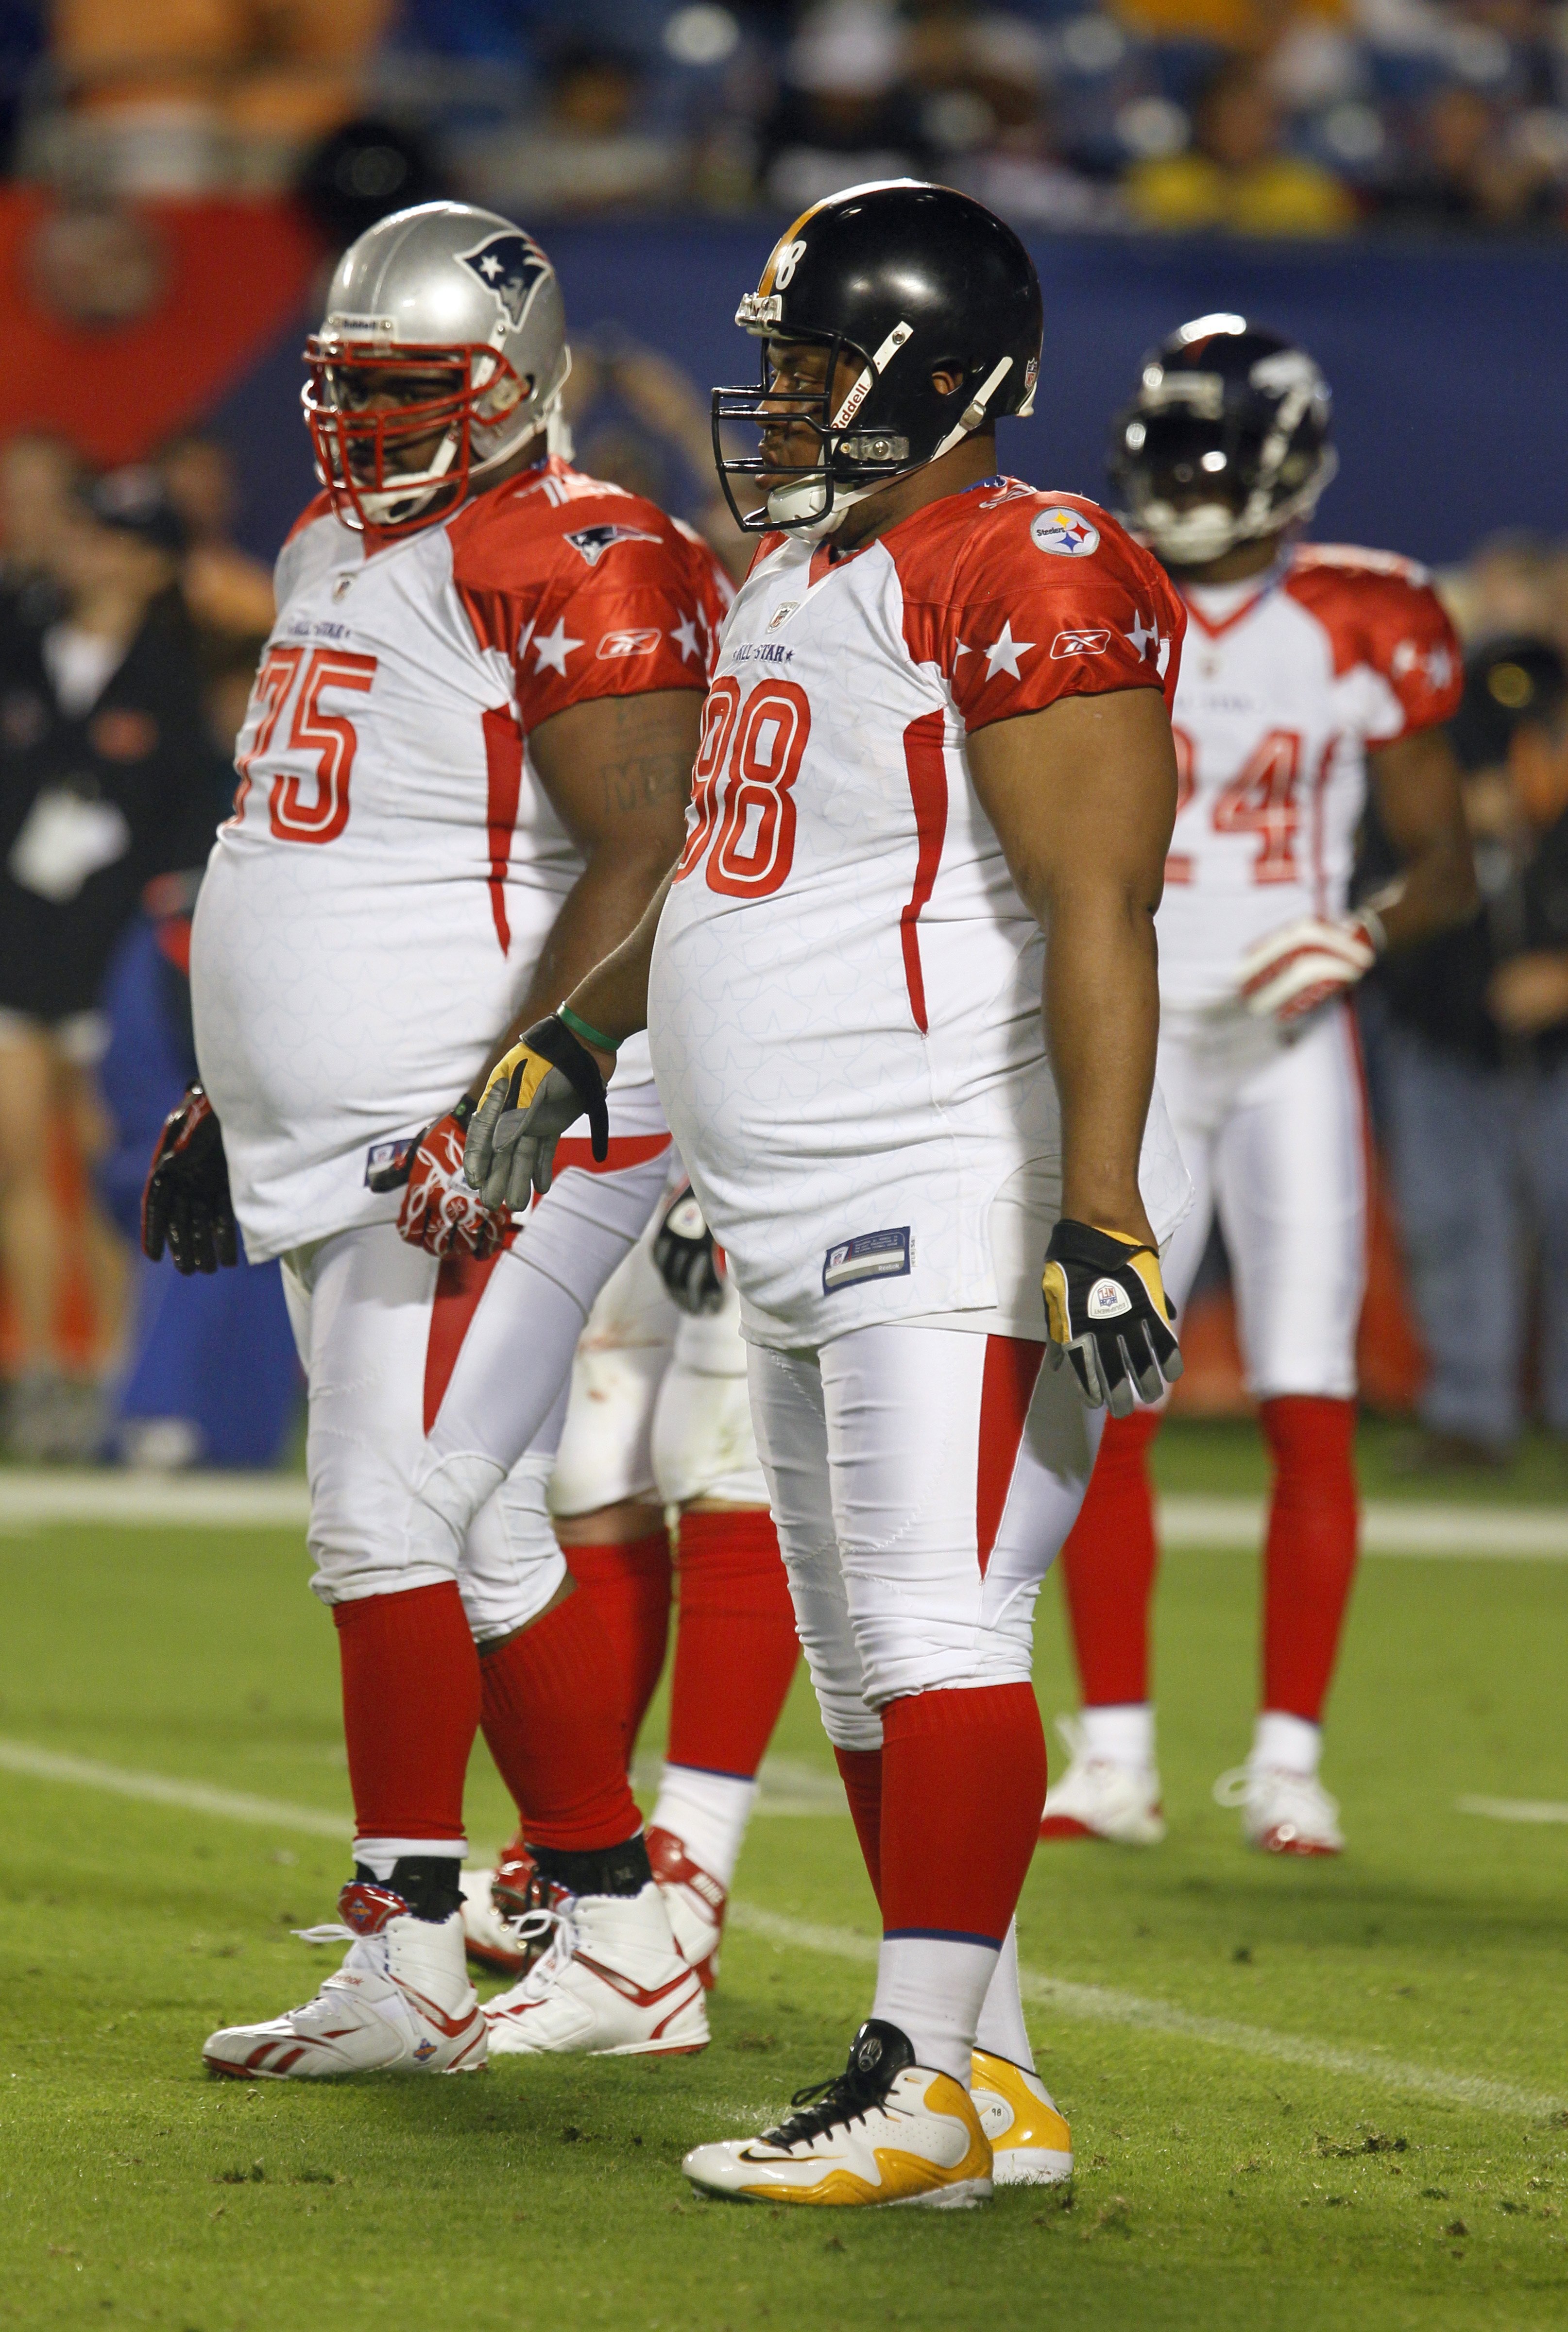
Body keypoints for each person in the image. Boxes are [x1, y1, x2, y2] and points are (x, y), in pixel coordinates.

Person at [462, 179, 1190, 2208]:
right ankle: (991, 2087)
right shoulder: (805, 575)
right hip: (795, 1196)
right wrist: (585, 1042)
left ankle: (919, 2073)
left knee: (946, 1631)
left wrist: (1105, 1202)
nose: (769, 403)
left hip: (950, 1177)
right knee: (871, 1656)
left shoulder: (1028, 561)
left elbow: (1097, 905)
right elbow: (729, 878)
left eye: (808, 368)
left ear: (932, 380)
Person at [142, 199, 731, 2078]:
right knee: (467, 1539)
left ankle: (400, 1954)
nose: (371, 425)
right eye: (352, 387)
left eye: (414, 389)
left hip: (492, 1126)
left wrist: (525, 1083)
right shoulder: (330, 543)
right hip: (348, 1133)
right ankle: (625, 1930)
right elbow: (318, 841)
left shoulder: (580, 549)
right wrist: (238, 1088)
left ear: (515, 386)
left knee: (387, 1516)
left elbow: (651, 853)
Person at [1040, 317, 1475, 1859]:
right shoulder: (1089, 589)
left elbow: (1446, 867)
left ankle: (1287, 1757)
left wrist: (1352, 931)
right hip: (1132, 1033)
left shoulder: (1365, 616)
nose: (1190, 485)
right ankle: (1115, 1753)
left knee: (1306, 1398)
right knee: (1112, 1387)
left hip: (1286, 1041)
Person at [1, 464, 222, 1460]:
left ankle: (118, 1373)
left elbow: (184, 838)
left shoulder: (176, 680)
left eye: (110, 540)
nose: (85, 551)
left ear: (150, 565)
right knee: (14, 1161)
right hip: (16, 937)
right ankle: (41, 1369)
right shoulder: (19, 642)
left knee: (108, 1172)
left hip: (115, 957)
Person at [1375, 638, 1568, 1461]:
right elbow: (1367, 903)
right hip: (1443, 1038)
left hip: (1557, 1051)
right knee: (1453, 1225)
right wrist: (1453, 835)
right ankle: (1469, 1414)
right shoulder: (1417, 782)